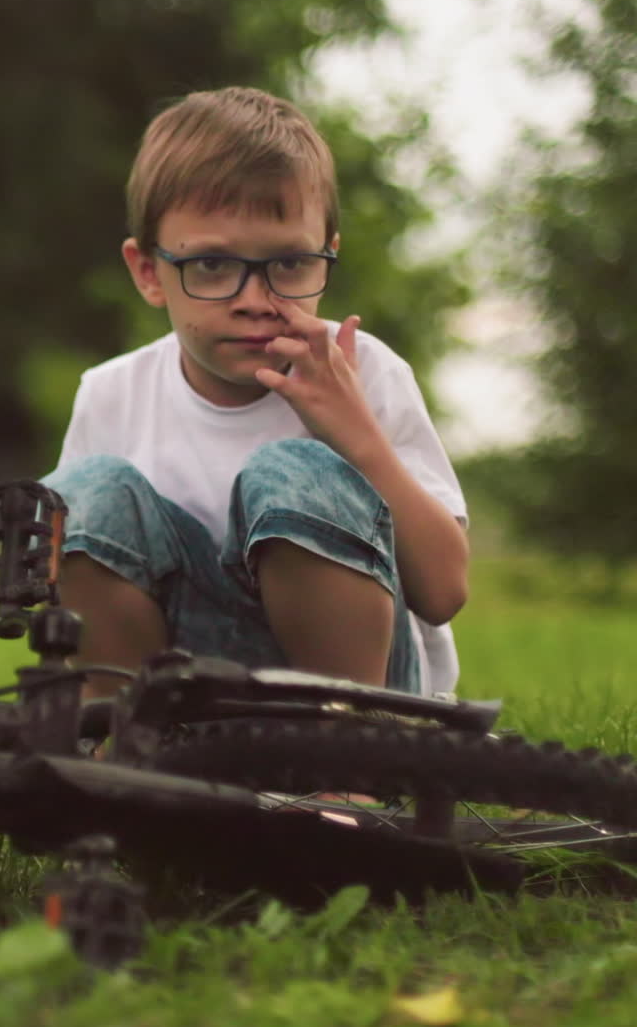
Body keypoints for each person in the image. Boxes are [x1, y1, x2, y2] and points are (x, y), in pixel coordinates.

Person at [43, 86, 469, 699]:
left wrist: (357, 439)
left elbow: (445, 592)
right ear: (148, 273)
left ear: (328, 256)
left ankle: (343, 774)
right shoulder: (112, 394)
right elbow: (70, 584)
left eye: (290, 263)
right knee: (80, 497)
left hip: (365, 705)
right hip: (183, 692)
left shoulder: (366, 373)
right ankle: (125, 753)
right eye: (212, 265)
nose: (253, 300)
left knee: (296, 471)